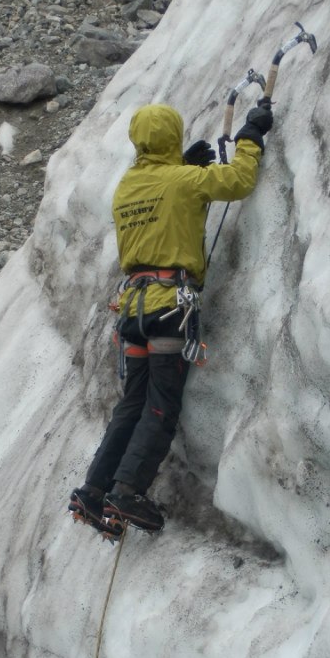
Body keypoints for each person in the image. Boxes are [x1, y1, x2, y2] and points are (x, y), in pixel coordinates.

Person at [69, 98, 273, 536]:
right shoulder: (182, 180)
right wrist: (251, 139)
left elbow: (161, 200)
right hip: (168, 309)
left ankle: (92, 490)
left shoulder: (126, 188)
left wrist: (184, 166)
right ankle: (127, 492)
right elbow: (238, 180)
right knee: (161, 405)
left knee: (132, 405)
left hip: (132, 312)